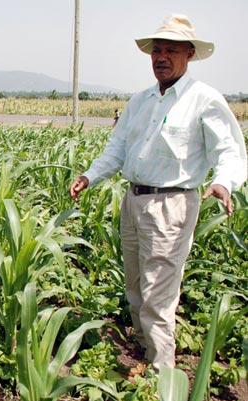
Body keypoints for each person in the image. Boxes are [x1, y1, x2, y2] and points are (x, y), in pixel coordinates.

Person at [69, 14, 247, 371]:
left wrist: (224, 182)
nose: (160, 57)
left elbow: (229, 150)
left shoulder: (205, 100)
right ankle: (143, 347)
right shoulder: (141, 101)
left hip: (172, 205)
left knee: (158, 295)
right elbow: (116, 149)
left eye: (170, 50)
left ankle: (160, 375)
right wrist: (90, 176)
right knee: (134, 285)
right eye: (156, 50)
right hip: (133, 201)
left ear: (189, 55)